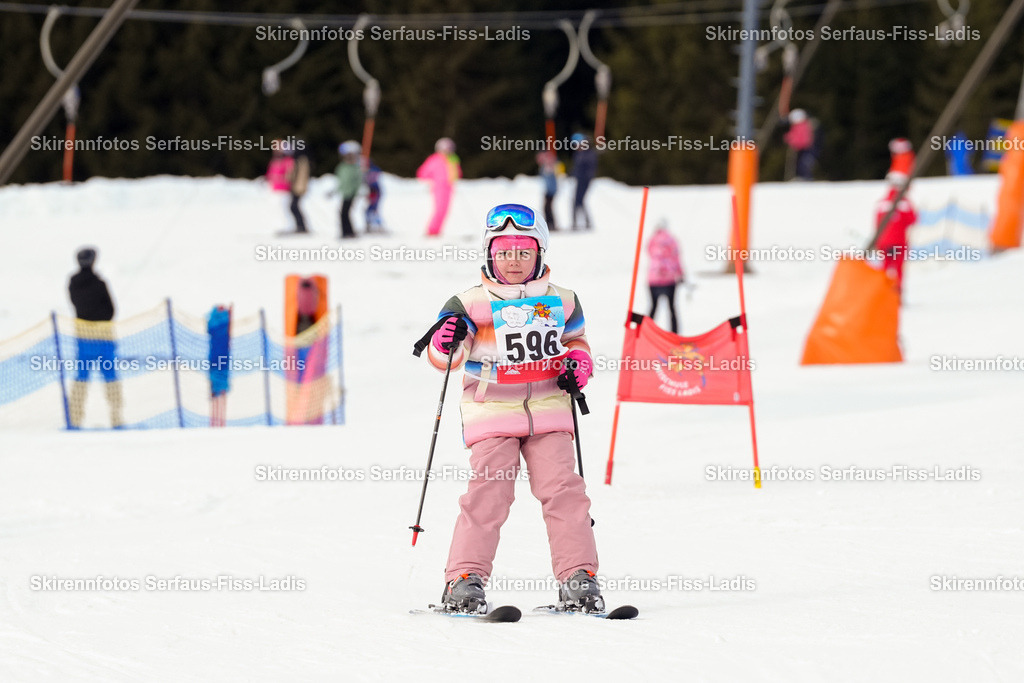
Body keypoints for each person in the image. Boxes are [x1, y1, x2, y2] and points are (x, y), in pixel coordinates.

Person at [422, 203, 604, 614]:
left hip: (550, 409)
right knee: (489, 493)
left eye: (524, 251)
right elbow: (443, 361)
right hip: (492, 413)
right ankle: (464, 579)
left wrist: (579, 363)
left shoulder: (564, 300)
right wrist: (446, 340)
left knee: (565, 492)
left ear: (540, 253)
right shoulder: (468, 303)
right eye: (505, 252)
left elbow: (577, 342)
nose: (515, 260)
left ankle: (579, 577)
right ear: (490, 254)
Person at [67, 247, 122, 428]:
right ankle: (116, 418)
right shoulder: (99, 284)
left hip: (83, 336)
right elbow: (111, 310)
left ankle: (74, 419)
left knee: (81, 377)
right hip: (103, 337)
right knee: (110, 377)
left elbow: (76, 305)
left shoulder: (73, 283)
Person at [874, 172, 918, 295]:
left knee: (885, 269)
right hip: (899, 242)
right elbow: (913, 219)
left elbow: (877, 223)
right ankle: (896, 296)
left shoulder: (881, 203)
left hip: (883, 243)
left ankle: (883, 295)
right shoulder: (905, 203)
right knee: (898, 270)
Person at [416, 137, 462, 237]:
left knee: (445, 209)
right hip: (439, 187)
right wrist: (432, 179)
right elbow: (422, 173)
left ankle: (436, 230)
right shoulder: (434, 159)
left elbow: (458, 173)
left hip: (449, 188)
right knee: (439, 209)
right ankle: (432, 230)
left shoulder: (453, 159)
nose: (447, 151)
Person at [647, 221, 686, 334]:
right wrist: (680, 273)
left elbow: (649, 253)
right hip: (669, 279)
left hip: (653, 279)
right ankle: (675, 333)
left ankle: (647, 332)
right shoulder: (672, 240)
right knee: (672, 308)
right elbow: (676, 257)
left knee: (653, 307)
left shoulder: (652, 240)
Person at [335, 141, 363, 239]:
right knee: (343, 213)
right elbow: (342, 182)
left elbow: (357, 182)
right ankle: (347, 232)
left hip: (350, 194)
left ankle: (348, 232)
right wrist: (335, 191)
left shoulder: (354, 168)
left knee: (344, 213)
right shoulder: (343, 167)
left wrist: (355, 192)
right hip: (345, 193)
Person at [570, 134, 597, 230]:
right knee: (577, 201)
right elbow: (577, 167)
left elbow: (590, 167)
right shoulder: (579, 153)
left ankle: (583, 222)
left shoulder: (588, 152)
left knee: (579, 201)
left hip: (585, 180)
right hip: (580, 179)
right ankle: (577, 222)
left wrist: (585, 176)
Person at [782, 109, 815, 180]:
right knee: (799, 164)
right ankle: (802, 177)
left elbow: (802, 139)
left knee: (803, 164)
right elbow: (794, 135)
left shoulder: (802, 126)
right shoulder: (802, 126)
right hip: (802, 148)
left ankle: (805, 178)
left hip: (805, 148)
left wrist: (791, 141)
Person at [536, 150, 559, 231]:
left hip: (551, 191)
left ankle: (551, 224)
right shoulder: (545, 166)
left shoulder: (548, 166)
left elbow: (552, 179)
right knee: (547, 208)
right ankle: (550, 224)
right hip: (549, 190)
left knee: (547, 208)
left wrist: (551, 190)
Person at [364, 157, 385, 233]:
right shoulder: (371, 170)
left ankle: (377, 226)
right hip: (372, 192)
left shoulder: (372, 170)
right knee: (371, 211)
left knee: (372, 211)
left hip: (374, 192)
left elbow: (371, 180)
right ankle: (372, 225)